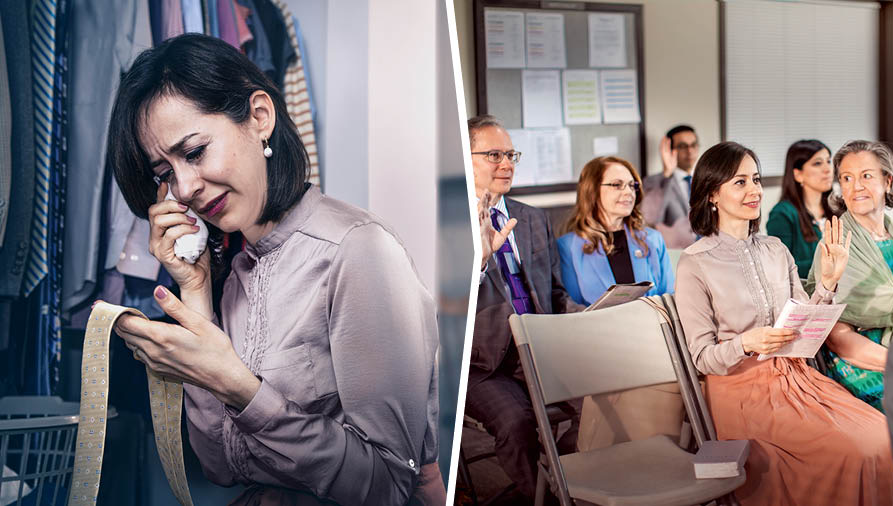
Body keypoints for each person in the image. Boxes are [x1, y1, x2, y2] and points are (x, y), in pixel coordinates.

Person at [105, 34, 443, 505]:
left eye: (195, 152)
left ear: (260, 117)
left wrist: (238, 386)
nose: (183, 188)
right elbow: (220, 467)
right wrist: (197, 292)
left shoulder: (358, 252)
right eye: (164, 174)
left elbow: (389, 485)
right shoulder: (235, 269)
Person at [675, 141, 893, 505]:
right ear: (712, 193)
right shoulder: (695, 263)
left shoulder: (775, 249)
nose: (755, 190)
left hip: (799, 379)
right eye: (740, 182)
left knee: (883, 436)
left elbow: (806, 323)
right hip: (743, 393)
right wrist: (747, 343)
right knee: (853, 451)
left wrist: (827, 282)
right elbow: (701, 357)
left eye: (756, 179)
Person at [465, 114, 582, 500]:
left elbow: (554, 293)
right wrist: (480, 261)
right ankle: (541, 496)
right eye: (494, 154)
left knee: (604, 395)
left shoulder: (532, 218)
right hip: (484, 363)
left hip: (541, 348)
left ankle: (559, 483)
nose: (507, 163)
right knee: (517, 422)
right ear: (466, 158)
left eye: (511, 154)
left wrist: (594, 314)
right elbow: (440, 309)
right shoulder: (449, 222)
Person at [807, 140, 893, 412]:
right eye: (847, 178)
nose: (856, 186)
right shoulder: (835, 244)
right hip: (861, 364)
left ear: (888, 181)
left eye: (866, 176)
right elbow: (837, 338)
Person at [557, 156, 674, 305]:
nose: (629, 192)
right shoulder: (567, 246)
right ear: (592, 190)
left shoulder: (652, 239)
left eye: (632, 185)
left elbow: (669, 297)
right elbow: (572, 309)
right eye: (617, 185)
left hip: (650, 326)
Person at [766, 140, 835, 279]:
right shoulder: (782, 214)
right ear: (798, 175)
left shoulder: (837, 209)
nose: (828, 169)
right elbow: (781, 267)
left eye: (828, 161)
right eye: (818, 163)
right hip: (804, 296)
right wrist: (830, 264)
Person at [642, 125, 700, 248]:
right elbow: (650, 218)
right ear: (670, 150)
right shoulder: (654, 183)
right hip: (676, 255)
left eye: (693, 145)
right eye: (683, 146)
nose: (690, 151)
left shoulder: (707, 180)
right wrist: (667, 174)